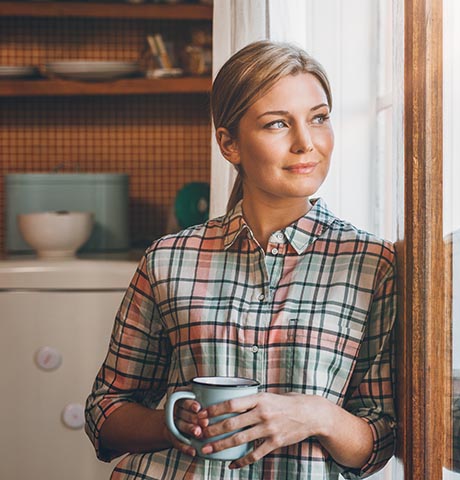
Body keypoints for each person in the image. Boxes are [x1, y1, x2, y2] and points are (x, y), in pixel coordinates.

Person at [84, 40, 396, 479]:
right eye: (277, 125)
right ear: (229, 144)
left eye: (319, 118)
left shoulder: (372, 264)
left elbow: (380, 439)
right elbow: (105, 414)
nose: (306, 143)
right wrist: (176, 425)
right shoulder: (168, 259)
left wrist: (314, 414)